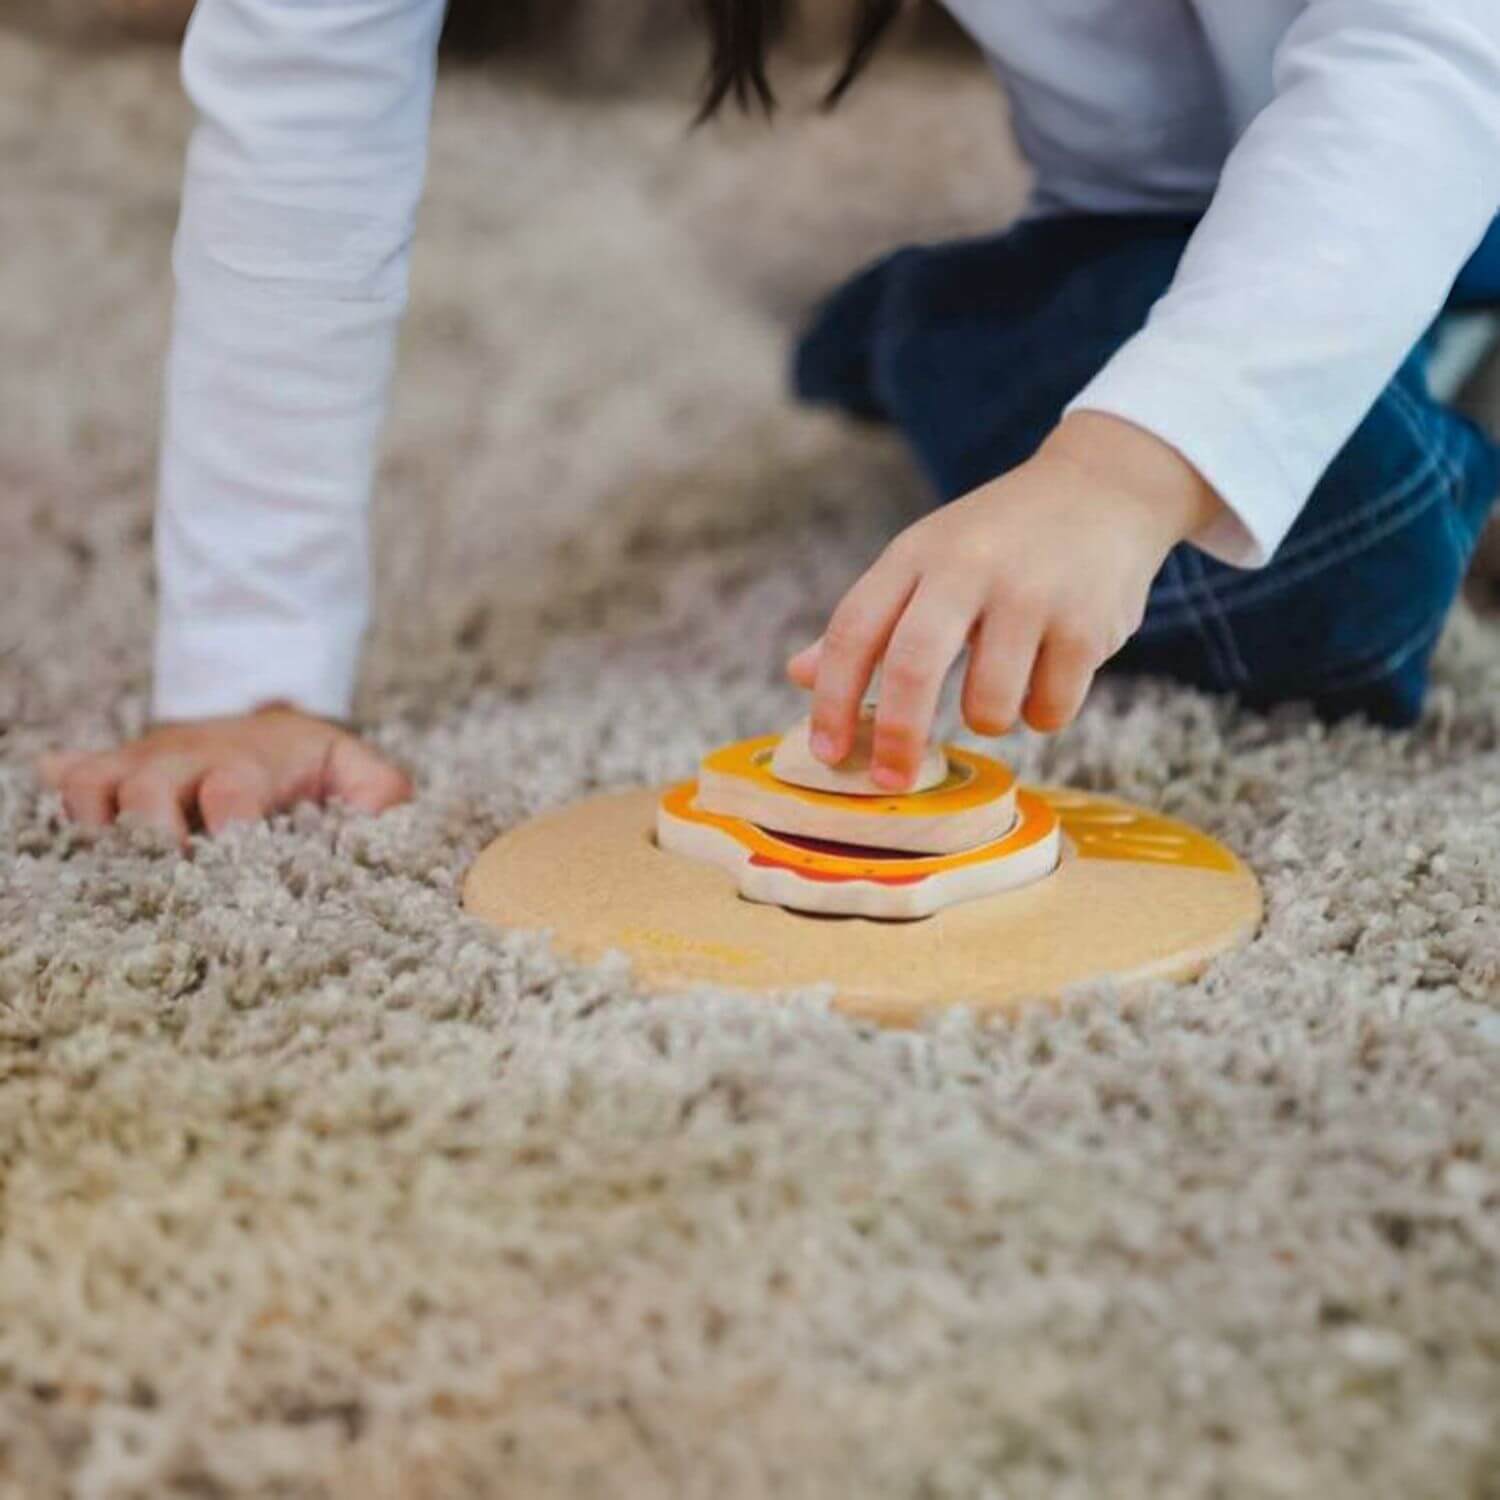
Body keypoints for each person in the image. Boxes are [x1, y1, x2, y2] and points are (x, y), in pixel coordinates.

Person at [41, 0, 1500, 834]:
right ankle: (947, 337)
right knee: (1339, 556)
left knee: (1260, 448)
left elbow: (1434, 54)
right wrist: (247, 671)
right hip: (1158, 229)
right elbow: (303, 102)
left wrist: (1125, 469)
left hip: (1437, 104)